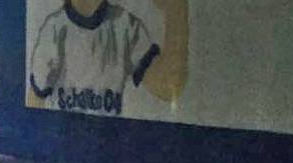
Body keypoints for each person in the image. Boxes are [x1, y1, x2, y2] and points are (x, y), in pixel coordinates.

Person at [27, 0, 187, 117]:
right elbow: (34, 101)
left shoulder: (125, 25)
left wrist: (175, 10)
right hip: (65, 142)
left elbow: (167, 86)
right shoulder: (54, 28)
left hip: (110, 145)